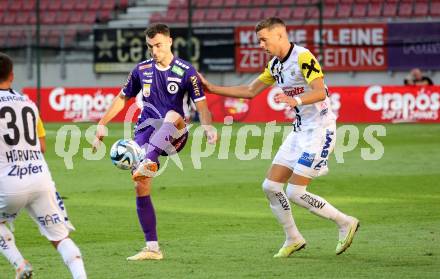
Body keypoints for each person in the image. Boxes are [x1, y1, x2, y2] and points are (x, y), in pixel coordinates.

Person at [199, 17, 359, 258]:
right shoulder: (275, 65)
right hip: (299, 131)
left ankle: (345, 222)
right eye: (259, 41)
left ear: (280, 35)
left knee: (296, 192)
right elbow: (250, 91)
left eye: (263, 39)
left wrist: (295, 100)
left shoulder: (304, 57)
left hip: (320, 130)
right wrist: (211, 88)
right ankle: (293, 237)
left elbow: (319, 91)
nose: (261, 45)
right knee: (271, 186)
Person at [92, 23, 217, 261]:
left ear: (170, 41)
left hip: (175, 133)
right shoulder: (141, 70)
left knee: (171, 115)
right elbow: (122, 98)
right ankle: (152, 248)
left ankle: (148, 161)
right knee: (140, 186)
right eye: (150, 46)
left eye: (158, 45)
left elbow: (202, 105)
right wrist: (102, 123)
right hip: (146, 131)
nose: (154, 51)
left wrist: (208, 126)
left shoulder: (186, 71)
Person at [0, 52, 87, 278]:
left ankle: (20, 264)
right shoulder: (28, 103)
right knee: (60, 238)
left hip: (8, 182)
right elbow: (43, 146)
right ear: (12, 75)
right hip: (40, 178)